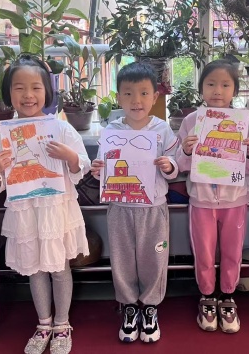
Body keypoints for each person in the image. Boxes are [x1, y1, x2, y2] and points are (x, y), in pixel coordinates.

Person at [0, 55, 90, 354]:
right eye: (19, 88)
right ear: (9, 93)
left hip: (56, 209)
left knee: (59, 267)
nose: (28, 95)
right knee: (35, 268)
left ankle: (62, 323)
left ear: (47, 91)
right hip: (25, 211)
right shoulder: (3, 137)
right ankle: (43, 323)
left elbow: (81, 167)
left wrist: (69, 157)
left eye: (35, 87)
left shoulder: (62, 129)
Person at [90, 62, 178, 344]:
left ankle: (150, 306)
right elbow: (103, 168)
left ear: (155, 97)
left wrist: (169, 166)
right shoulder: (112, 130)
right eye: (128, 93)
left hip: (153, 209)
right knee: (122, 259)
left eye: (143, 93)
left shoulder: (162, 129)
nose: (136, 100)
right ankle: (128, 305)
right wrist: (98, 169)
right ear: (118, 97)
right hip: (119, 209)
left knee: (155, 258)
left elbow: (175, 166)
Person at [176, 59, 249, 334]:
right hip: (201, 199)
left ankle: (228, 296)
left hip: (235, 199)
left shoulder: (245, 122)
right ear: (201, 88)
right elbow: (180, 165)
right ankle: (207, 295)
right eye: (211, 84)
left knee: (233, 251)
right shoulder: (191, 121)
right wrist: (186, 151)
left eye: (225, 85)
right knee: (203, 250)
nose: (217, 91)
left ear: (235, 90)